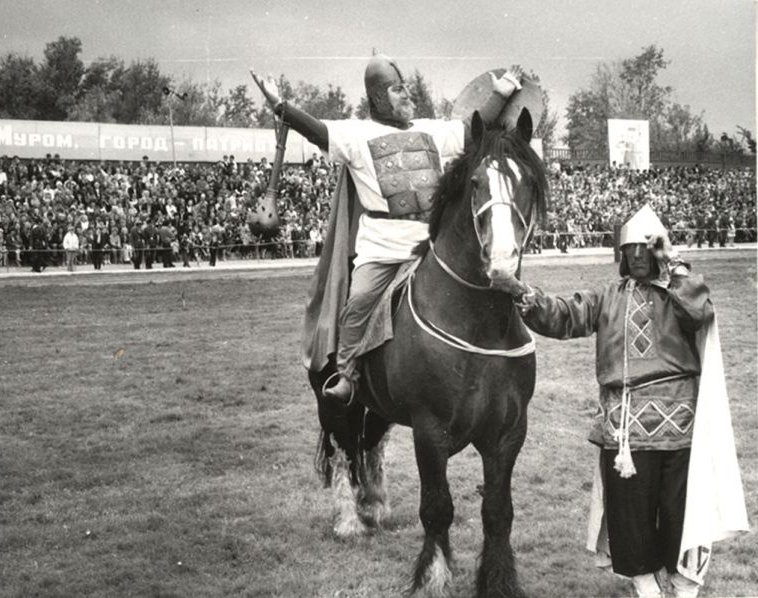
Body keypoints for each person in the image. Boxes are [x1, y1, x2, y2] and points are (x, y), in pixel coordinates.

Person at [252, 55, 527, 403]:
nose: (407, 94)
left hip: (429, 246)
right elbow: (317, 131)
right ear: (379, 97)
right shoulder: (355, 134)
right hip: (381, 248)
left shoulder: (433, 130)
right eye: (399, 90)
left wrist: (500, 93)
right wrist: (281, 105)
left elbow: (477, 127)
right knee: (359, 302)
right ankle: (348, 375)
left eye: (407, 88)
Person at [516, 204, 748, 598]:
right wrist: (523, 295)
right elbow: (564, 316)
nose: (638, 256)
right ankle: (646, 586)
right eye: (630, 249)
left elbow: (701, 312)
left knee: (682, 513)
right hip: (624, 428)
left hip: (681, 427)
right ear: (620, 254)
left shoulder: (680, 293)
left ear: (659, 250)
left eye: (647, 248)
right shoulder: (607, 296)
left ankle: (684, 584)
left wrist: (674, 261)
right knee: (630, 515)